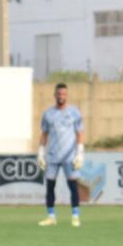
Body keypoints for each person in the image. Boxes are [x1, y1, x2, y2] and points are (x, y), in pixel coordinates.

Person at [37, 82, 85, 228]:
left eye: (63, 94)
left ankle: (75, 217)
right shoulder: (48, 114)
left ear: (67, 96)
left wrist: (80, 153)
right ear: (54, 95)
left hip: (70, 156)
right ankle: (51, 217)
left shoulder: (75, 113)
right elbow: (44, 134)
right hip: (52, 156)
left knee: (73, 186)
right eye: (59, 94)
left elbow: (80, 133)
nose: (61, 96)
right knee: (50, 186)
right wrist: (40, 153)